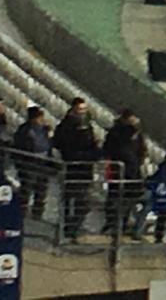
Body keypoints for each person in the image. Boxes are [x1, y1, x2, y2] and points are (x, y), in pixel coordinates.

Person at [54, 98, 97, 237]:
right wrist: (90, 155)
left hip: (85, 169)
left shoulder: (87, 126)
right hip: (73, 168)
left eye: (84, 109)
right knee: (74, 200)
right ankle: (69, 227)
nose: (82, 112)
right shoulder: (66, 127)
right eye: (80, 109)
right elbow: (64, 147)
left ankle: (72, 227)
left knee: (80, 201)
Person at [103, 109, 147, 237]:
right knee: (117, 199)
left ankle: (121, 224)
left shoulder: (136, 134)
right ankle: (115, 224)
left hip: (132, 171)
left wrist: (139, 161)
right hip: (120, 171)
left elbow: (141, 150)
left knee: (127, 200)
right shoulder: (118, 133)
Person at [10, 106, 52, 220]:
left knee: (41, 190)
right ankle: (22, 212)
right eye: (40, 117)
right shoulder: (26, 130)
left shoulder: (43, 130)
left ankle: (36, 214)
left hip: (42, 164)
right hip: (30, 164)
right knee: (27, 189)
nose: (42, 119)